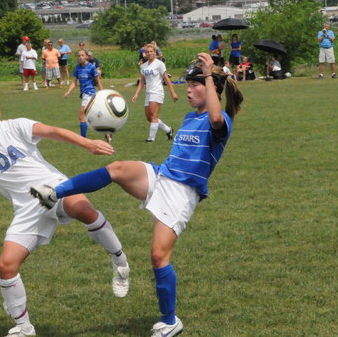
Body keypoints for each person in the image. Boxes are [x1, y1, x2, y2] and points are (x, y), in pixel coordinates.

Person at [30, 53, 244, 337]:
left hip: (182, 194)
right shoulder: (190, 117)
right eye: (189, 85)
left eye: (195, 85)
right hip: (162, 176)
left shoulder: (221, 121)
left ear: (211, 88)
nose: (188, 90)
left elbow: (216, 117)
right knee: (117, 168)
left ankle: (170, 321)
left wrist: (207, 73)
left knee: (158, 256)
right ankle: (54, 193)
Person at [0, 85, 130, 337]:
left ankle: (120, 262)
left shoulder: (15, 126)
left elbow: (53, 131)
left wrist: (87, 143)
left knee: (83, 208)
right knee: (6, 266)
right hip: (27, 209)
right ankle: (24, 328)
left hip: (51, 188)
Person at [132, 43, 179, 143]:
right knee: (149, 117)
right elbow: (142, 81)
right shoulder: (143, 66)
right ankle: (168, 130)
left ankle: (151, 138)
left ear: (155, 52)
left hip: (157, 91)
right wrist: (136, 94)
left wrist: (173, 93)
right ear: (145, 53)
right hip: (148, 93)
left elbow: (166, 79)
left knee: (153, 116)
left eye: (151, 51)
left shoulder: (159, 64)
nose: (149, 53)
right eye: (147, 52)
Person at [65, 50, 103, 138]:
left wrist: (102, 93)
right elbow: (74, 82)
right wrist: (68, 91)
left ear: (86, 56)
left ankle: (83, 139)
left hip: (89, 93)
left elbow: (98, 81)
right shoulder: (77, 68)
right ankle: (107, 132)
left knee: (82, 116)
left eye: (82, 55)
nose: (80, 57)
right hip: (84, 95)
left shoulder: (91, 67)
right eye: (79, 56)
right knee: (92, 116)